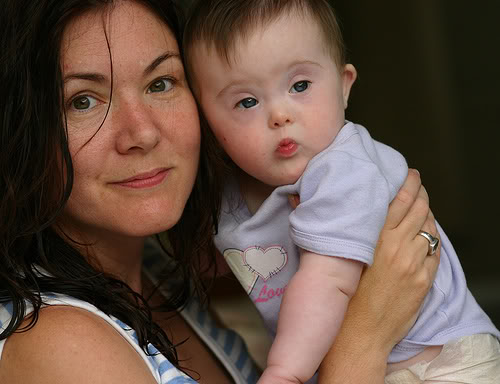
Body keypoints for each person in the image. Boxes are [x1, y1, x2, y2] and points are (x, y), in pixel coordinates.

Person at [0, 0, 440, 383]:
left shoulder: (155, 274)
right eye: (83, 100)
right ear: (20, 133)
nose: (142, 133)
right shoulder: (55, 338)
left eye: (160, 83)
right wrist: (362, 341)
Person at [182, 0, 500, 383]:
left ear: (344, 86)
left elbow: (328, 281)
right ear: (206, 120)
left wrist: (284, 373)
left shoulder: (342, 168)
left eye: (300, 86)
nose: (280, 115)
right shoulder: (230, 193)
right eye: (246, 101)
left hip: (440, 363)